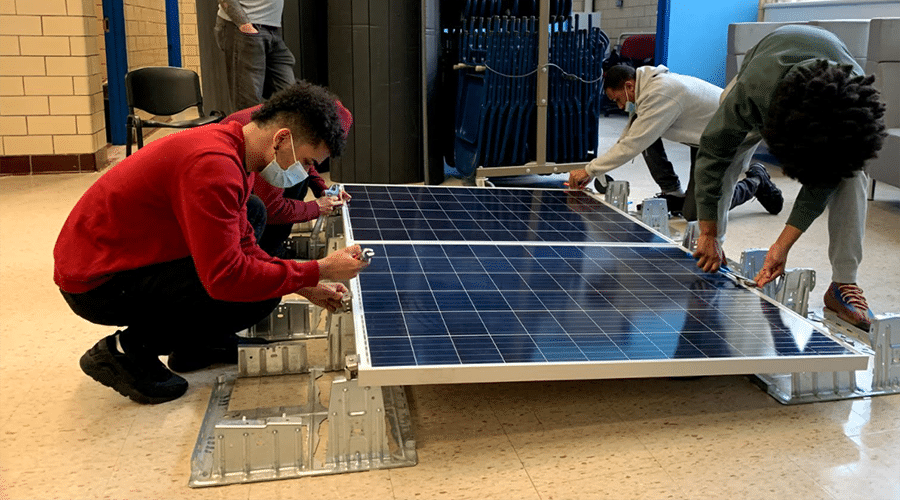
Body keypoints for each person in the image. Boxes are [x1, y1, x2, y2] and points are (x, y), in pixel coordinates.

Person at [54, 82, 369, 404]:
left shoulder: (236, 149)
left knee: (255, 218)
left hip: (127, 255)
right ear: (282, 139)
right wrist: (319, 270)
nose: (305, 172)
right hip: (98, 283)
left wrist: (303, 283)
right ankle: (124, 350)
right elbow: (227, 277)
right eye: (305, 161)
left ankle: (199, 345)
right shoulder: (213, 165)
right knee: (251, 293)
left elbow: (246, 244)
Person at [691, 25, 887, 331]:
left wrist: (782, 245)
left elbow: (827, 174)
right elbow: (713, 153)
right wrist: (708, 230)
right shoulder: (753, 92)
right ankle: (714, 250)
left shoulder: (855, 106)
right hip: (763, 80)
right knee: (729, 158)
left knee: (851, 173)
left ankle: (843, 285)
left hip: (822, 96)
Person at [568, 64, 783, 217]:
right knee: (642, 133)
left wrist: (589, 170)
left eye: (618, 99)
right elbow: (629, 136)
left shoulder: (662, 93)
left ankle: (756, 181)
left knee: (698, 212)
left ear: (629, 86)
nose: (619, 106)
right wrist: (593, 170)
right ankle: (673, 192)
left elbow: (632, 145)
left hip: (730, 139)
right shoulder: (648, 90)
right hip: (702, 139)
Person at [221, 102, 353, 257]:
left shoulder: (291, 122)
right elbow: (273, 209)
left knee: (299, 177)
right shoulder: (266, 149)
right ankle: (268, 251)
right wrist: (316, 208)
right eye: (308, 161)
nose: (306, 169)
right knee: (258, 208)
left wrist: (322, 189)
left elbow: (305, 160)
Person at [216, 0, 296, 112]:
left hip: (272, 29)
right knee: (248, 105)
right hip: (244, 27)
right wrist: (244, 25)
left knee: (291, 98)